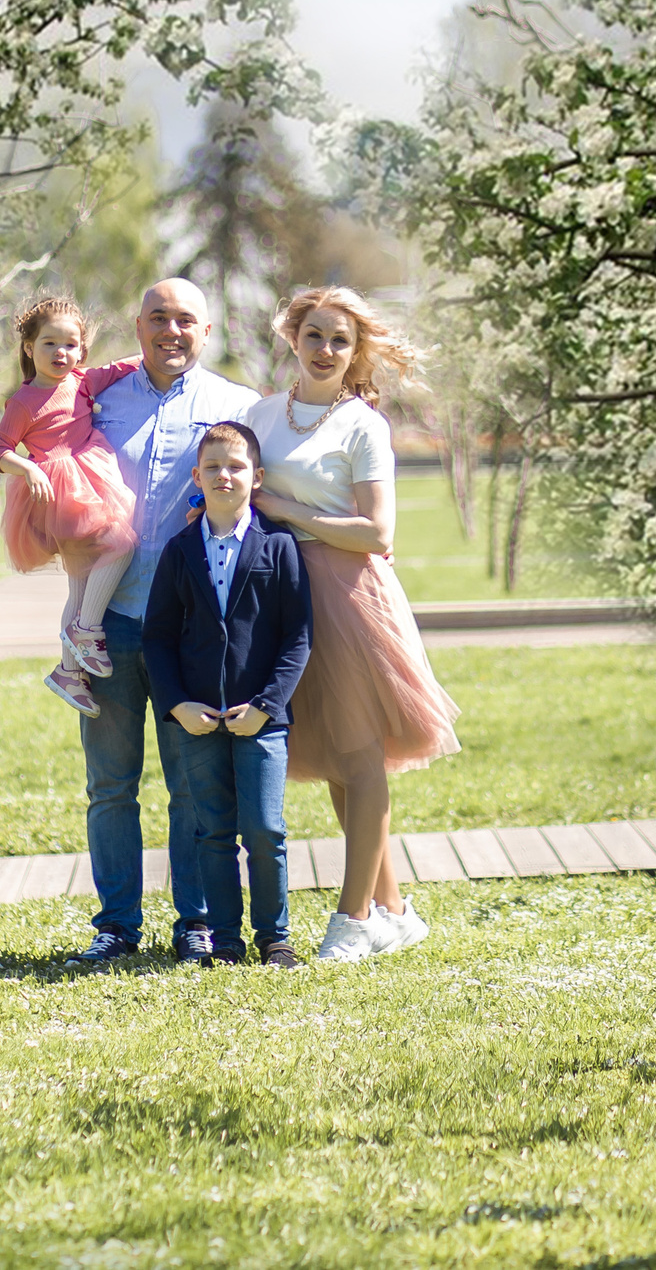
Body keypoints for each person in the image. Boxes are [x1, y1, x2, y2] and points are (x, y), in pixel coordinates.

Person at [247, 285, 461, 963]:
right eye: (314, 335)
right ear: (293, 336)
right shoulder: (261, 414)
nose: (325, 349)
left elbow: (376, 531)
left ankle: (351, 918)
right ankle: (394, 910)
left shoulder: (363, 425)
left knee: (362, 756)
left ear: (355, 350)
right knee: (341, 761)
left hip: (350, 598)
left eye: (340, 339)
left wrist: (286, 508)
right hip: (284, 594)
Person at [67, 278, 255, 966]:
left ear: (207, 333)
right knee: (110, 785)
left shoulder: (237, 408)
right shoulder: (100, 405)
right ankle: (116, 924)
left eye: (186, 320)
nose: (171, 331)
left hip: (190, 631)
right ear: (137, 326)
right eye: (158, 318)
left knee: (192, 785)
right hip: (109, 622)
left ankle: (195, 922)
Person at [141, 421, 312, 970]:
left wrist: (266, 705)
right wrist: (175, 706)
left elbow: (298, 636)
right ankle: (225, 937)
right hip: (197, 719)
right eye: (212, 466)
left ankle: (274, 936)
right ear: (196, 476)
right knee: (211, 830)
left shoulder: (279, 548)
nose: (224, 475)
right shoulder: (178, 551)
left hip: (262, 718)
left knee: (265, 829)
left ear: (256, 478)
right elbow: (158, 637)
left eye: (236, 466)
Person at [0, 295, 142, 713]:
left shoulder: (83, 382)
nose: (61, 353)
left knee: (79, 581)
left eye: (71, 345)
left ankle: (68, 673)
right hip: (58, 491)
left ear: (81, 350)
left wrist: (156, 351)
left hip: (90, 480)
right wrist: (28, 469)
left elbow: (125, 365)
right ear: (29, 348)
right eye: (50, 344)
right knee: (122, 544)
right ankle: (87, 630)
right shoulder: (23, 401)